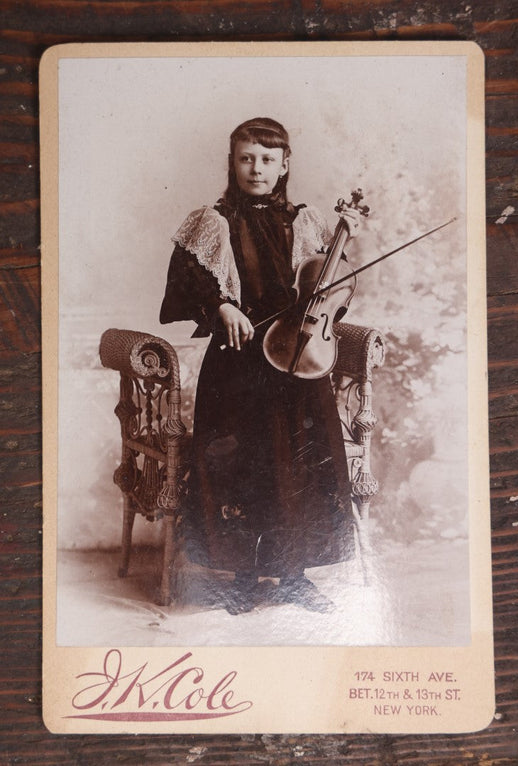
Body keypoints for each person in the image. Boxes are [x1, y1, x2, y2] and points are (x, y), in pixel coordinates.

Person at [160, 117, 360, 614]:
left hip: (295, 360)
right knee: (241, 464)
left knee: (298, 463)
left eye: (267, 159)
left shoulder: (307, 220)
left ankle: (293, 576)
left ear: (284, 164)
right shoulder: (212, 221)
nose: (256, 168)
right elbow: (185, 287)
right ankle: (244, 577)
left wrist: (342, 245)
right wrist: (220, 307)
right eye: (247, 158)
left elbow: (329, 295)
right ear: (233, 162)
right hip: (237, 365)